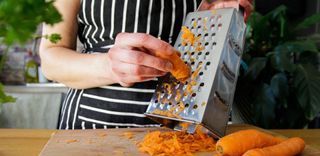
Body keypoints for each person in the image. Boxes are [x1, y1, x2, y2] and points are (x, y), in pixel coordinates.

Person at [40, 0, 252, 130]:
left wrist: (221, 15)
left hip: (190, 123)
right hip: (92, 126)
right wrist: (108, 66)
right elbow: (50, 58)